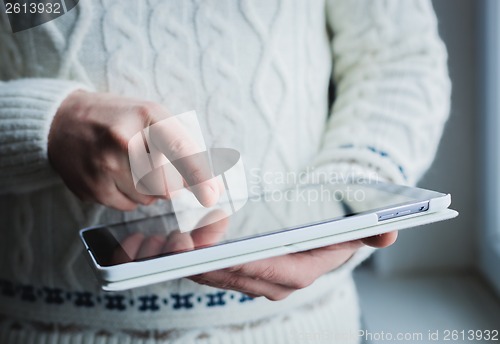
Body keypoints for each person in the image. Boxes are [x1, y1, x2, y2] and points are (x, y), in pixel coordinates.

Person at [0, 0, 450, 343]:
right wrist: (42, 125)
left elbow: (399, 57)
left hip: (307, 327)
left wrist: (347, 195)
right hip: (42, 326)